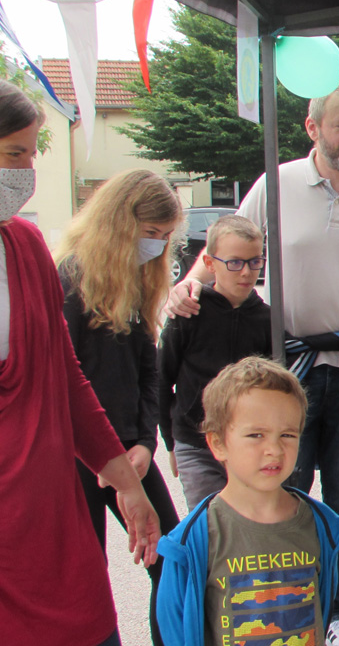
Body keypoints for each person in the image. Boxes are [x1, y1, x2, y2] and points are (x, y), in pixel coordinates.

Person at [167, 82, 339, 646]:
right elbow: (224, 247)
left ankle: (338, 612)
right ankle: (284, 605)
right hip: (284, 373)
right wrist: (188, 284)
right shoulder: (275, 184)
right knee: (281, 494)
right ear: (312, 128)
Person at [0, 80, 160, 645]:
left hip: (52, 513)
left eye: (31, 152)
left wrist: (125, 480)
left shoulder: (24, 247)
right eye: (14, 154)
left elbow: (65, 378)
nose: (26, 172)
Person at [54, 168, 184, 646]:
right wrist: (104, 451)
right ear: (120, 223)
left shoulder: (138, 275)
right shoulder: (70, 277)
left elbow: (148, 371)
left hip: (130, 450)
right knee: (87, 571)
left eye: (165, 237)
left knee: (169, 559)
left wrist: (144, 443)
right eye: (150, 234)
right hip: (78, 453)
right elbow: (67, 380)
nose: (156, 245)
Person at [156, 356, 339, 646]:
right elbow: (175, 629)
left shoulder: (322, 527)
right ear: (218, 443)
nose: (274, 449)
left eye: (287, 434)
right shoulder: (192, 541)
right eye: (256, 435)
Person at [159, 215, 271, 509]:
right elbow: (160, 379)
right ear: (210, 264)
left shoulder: (268, 320)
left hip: (249, 445)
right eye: (234, 262)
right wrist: (171, 442)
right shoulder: (188, 314)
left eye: (255, 262)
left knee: (248, 523)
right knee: (209, 522)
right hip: (195, 442)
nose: (246, 272)